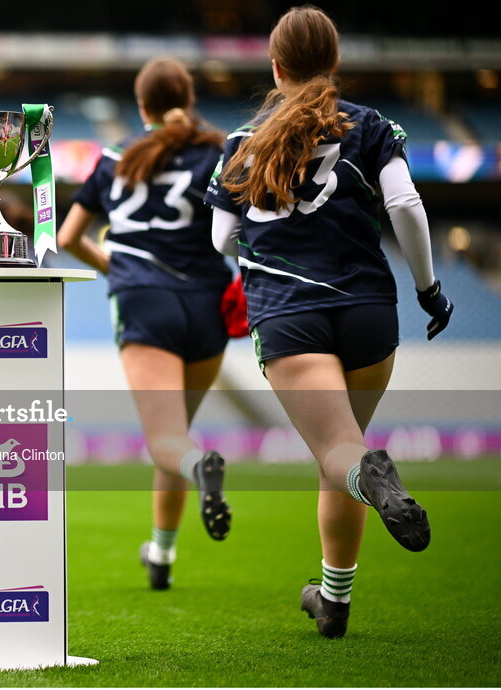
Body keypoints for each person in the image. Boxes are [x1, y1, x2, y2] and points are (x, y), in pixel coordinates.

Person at [206, 5, 454, 638]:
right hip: (371, 311)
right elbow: (404, 203)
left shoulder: (242, 142)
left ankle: (370, 480)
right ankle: (334, 600)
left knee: (343, 454)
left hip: (292, 318)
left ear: (276, 66)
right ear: (334, 63)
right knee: (338, 450)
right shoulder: (371, 125)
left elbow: (218, 239)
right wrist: (428, 289)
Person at [57, 57, 238, 590]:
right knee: (175, 437)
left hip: (144, 301)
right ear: (189, 96)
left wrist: (123, 266)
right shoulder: (217, 151)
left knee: (168, 442)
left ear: (141, 107)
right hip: (207, 301)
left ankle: (199, 467)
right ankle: (160, 555)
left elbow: (67, 237)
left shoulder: (117, 156)